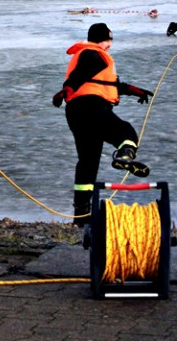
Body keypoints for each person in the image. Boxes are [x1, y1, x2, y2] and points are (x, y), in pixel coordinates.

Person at [52, 22, 153, 226]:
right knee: (126, 132)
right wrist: (67, 88)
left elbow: (103, 82)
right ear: (103, 39)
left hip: (76, 112)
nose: (110, 45)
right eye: (109, 40)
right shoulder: (93, 53)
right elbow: (83, 73)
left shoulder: (87, 54)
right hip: (92, 107)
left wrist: (134, 90)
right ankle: (124, 156)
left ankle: (81, 215)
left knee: (87, 163)